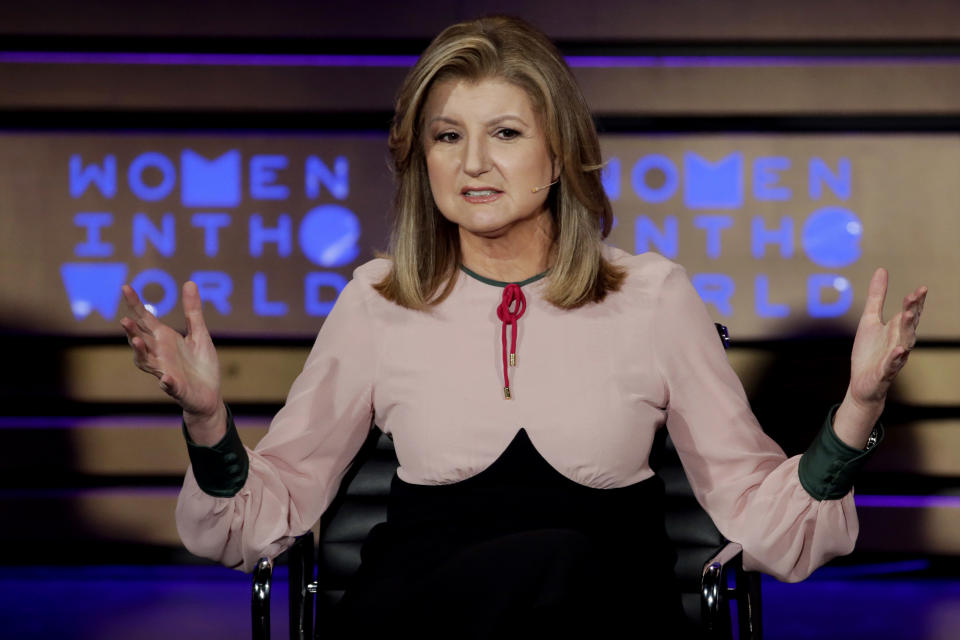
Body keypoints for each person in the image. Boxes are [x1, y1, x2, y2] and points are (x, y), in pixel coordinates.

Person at [120, 15, 927, 638]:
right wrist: (208, 420)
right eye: (448, 136)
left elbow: (762, 518)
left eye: (504, 133)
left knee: (566, 563)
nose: (473, 163)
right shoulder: (377, 299)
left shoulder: (653, 296)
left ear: (560, 152)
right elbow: (270, 513)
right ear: (421, 158)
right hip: (420, 614)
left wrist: (855, 411)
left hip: (608, 616)